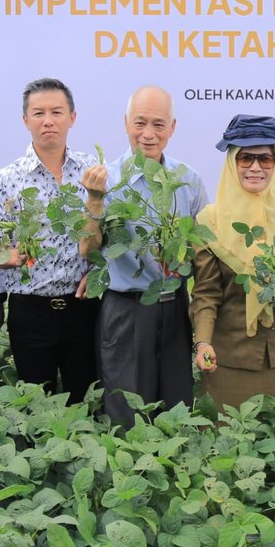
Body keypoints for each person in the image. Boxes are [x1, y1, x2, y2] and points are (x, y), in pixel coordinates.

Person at [78, 86, 208, 425]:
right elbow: (87, 249)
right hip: (126, 310)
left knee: (176, 409)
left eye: (158, 124)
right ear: (125, 123)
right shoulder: (105, 180)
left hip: (174, 306)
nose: (148, 134)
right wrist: (94, 202)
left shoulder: (188, 181)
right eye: (140, 123)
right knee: (128, 415)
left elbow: (203, 250)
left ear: (173, 128)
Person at [190, 115, 275, 410]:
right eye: (245, 157)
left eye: (264, 158)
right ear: (231, 162)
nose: (255, 167)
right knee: (230, 441)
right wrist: (203, 343)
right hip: (230, 356)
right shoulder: (209, 223)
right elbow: (206, 293)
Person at [0, 77, 99, 400]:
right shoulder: (6, 180)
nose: (48, 121)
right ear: (25, 120)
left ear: (72, 118)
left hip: (84, 309)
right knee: (36, 404)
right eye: (39, 113)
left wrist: (100, 272)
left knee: (86, 402)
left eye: (57, 112)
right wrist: (6, 257)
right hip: (30, 312)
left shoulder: (93, 172)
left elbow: (112, 232)